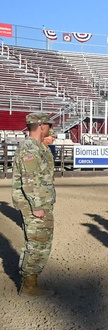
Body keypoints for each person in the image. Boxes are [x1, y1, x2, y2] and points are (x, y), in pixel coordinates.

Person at [12, 113, 57, 296]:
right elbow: (29, 180)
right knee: (38, 244)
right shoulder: (30, 148)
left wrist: (45, 146)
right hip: (35, 205)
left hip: (38, 203)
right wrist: (37, 206)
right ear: (41, 126)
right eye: (48, 125)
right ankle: (29, 286)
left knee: (36, 243)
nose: (50, 128)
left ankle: (29, 281)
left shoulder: (36, 146)